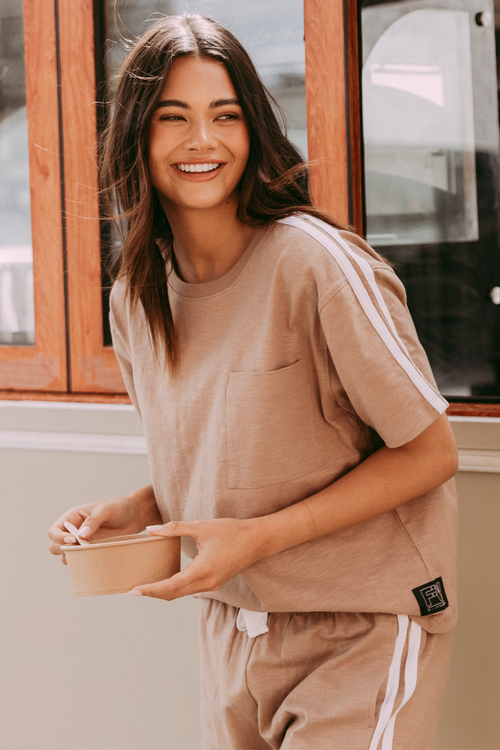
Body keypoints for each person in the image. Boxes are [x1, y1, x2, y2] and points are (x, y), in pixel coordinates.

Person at [48, 14, 458, 750]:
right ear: (136, 136)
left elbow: (431, 455)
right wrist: (136, 511)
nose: (202, 141)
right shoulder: (134, 298)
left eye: (224, 116)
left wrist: (257, 540)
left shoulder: (316, 266)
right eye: (174, 118)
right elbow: (226, 456)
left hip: (360, 630)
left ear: (253, 130)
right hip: (232, 637)